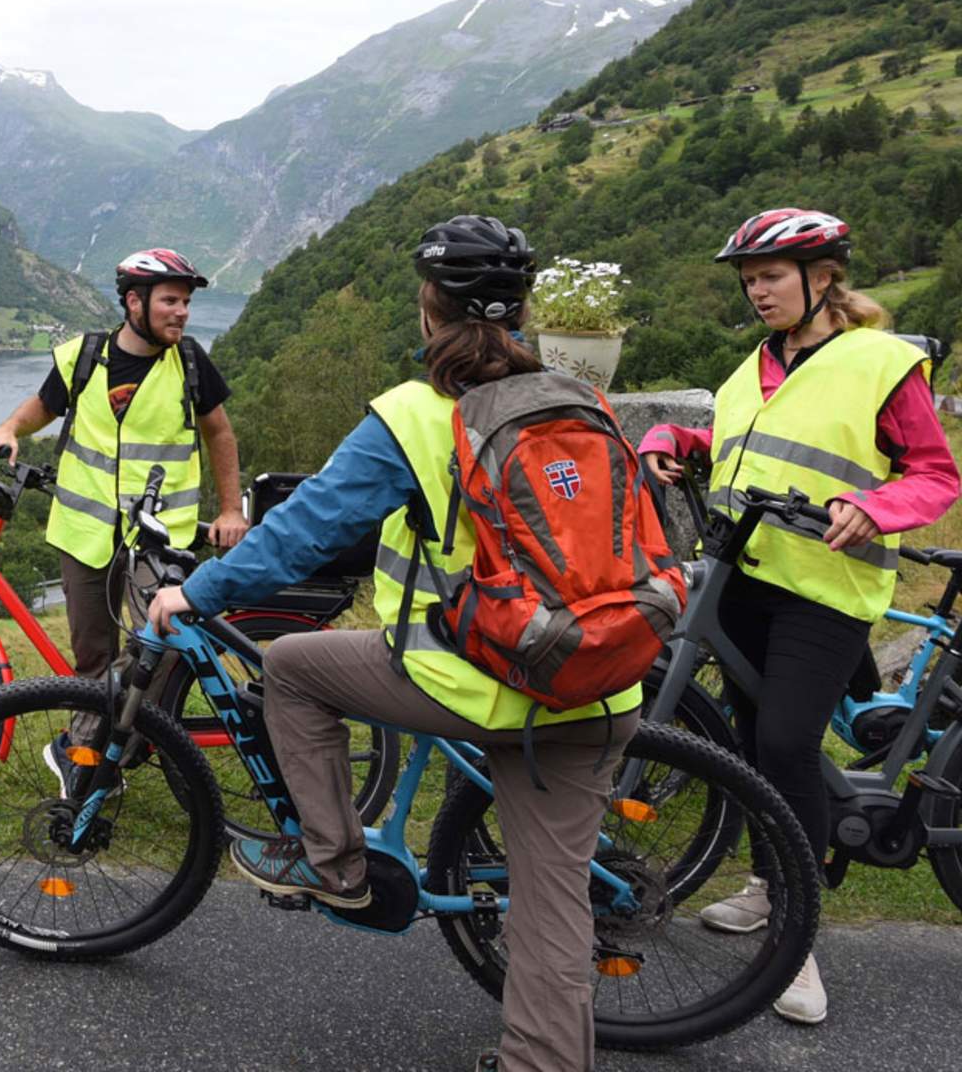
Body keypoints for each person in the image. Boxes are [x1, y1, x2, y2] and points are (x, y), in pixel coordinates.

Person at [146, 216, 639, 1072]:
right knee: (554, 910)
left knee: (294, 667)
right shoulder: (581, 399)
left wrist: (196, 590)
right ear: (520, 316)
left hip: (483, 680)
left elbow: (300, 534)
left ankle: (336, 867)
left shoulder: (416, 415)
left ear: (428, 314)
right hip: (600, 678)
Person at [638, 207, 959, 1026]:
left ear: (823, 278)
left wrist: (877, 506)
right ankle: (763, 882)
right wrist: (674, 436)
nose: (757, 291)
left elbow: (934, 474)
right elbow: (743, 442)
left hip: (824, 589)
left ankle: (795, 933)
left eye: (771, 276)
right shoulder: (754, 367)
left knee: (783, 744)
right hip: (744, 581)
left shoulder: (882, 362)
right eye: (748, 279)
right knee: (748, 747)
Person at [0, 249, 248, 792]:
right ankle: (85, 762)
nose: (183, 312)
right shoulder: (84, 356)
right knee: (92, 659)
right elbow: (43, 406)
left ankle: (120, 737)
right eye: (171, 300)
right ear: (133, 303)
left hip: (160, 538)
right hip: (84, 532)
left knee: (165, 643)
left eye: (187, 302)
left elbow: (220, 432)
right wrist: (8, 428)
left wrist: (230, 509)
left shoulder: (190, 363)